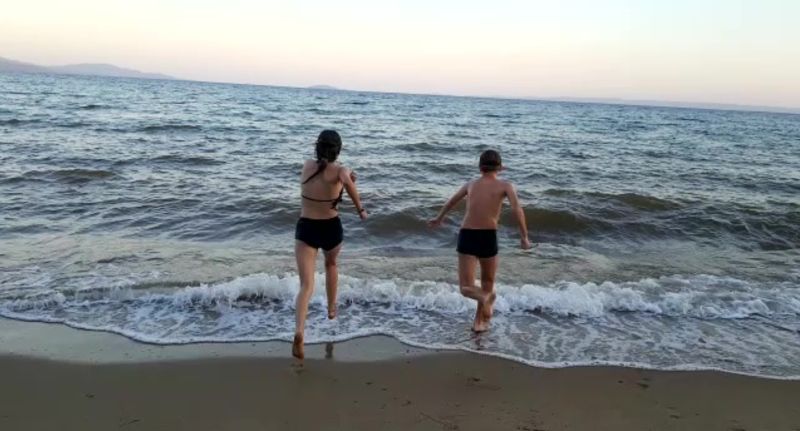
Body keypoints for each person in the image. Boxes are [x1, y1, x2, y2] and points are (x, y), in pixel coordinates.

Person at [428, 149, 531, 332]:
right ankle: (482, 313)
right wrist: (524, 237)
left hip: (468, 235)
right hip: (488, 237)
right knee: (487, 284)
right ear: (500, 167)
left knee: (466, 288)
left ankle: (480, 317)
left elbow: (452, 201)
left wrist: (439, 218)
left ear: (479, 167)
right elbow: (517, 209)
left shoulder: (471, 184)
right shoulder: (506, 186)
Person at [293, 130, 367, 359]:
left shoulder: (307, 166)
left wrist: (346, 178)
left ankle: (299, 332)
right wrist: (361, 210)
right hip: (331, 228)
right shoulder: (341, 171)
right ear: (338, 150)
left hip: (306, 228)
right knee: (331, 264)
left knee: (306, 285)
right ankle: (332, 308)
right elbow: (347, 184)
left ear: (317, 147)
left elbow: (325, 175)